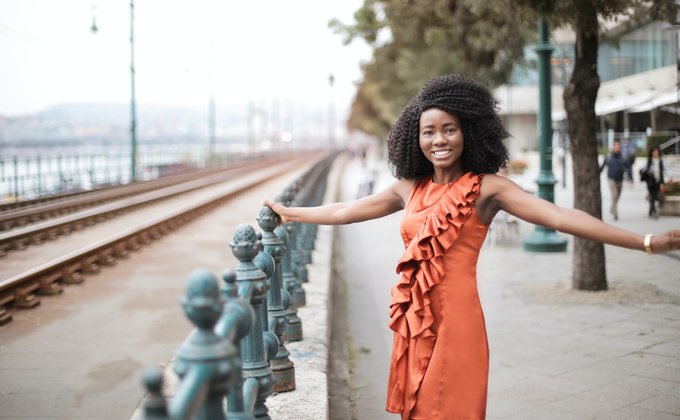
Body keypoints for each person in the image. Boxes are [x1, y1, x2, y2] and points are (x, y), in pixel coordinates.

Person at [263, 74, 680, 420]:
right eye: (429, 131)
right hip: (416, 319)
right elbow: (348, 210)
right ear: (416, 137)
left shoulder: (487, 190)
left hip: (458, 323)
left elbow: (559, 217)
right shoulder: (409, 187)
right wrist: (291, 214)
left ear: (468, 133)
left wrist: (645, 241)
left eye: (450, 129)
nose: (439, 140)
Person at [599, 140, 632, 220]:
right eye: (615, 146)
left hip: (620, 179)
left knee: (618, 196)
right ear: (613, 147)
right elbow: (603, 166)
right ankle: (615, 212)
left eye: (618, 146)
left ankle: (612, 208)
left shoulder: (623, 157)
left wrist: (631, 178)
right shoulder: (609, 156)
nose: (616, 148)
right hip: (611, 178)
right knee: (614, 195)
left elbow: (629, 168)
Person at [643, 146, 666, 218]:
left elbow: (664, 171)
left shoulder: (661, 161)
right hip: (650, 181)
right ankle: (654, 211)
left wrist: (664, 181)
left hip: (658, 181)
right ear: (652, 153)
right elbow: (644, 170)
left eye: (657, 152)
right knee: (652, 195)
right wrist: (648, 172)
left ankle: (651, 210)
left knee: (655, 196)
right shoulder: (649, 161)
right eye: (654, 152)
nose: (655, 153)